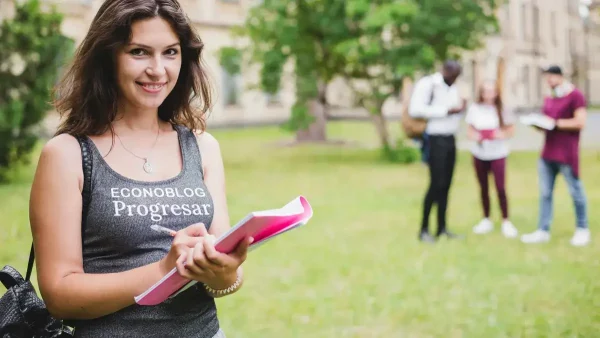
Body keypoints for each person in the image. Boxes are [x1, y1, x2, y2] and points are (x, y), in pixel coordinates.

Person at [29, 1, 249, 337]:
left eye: (171, 52)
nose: (158, 70)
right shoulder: (68, 155)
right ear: (108, 56)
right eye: (139, 52)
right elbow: (59, 296)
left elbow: (226, 278)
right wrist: (164, 269)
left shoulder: (202, 147)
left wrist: (223, 272)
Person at [520, 65, 591, 246]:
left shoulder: (575, 96)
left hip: (566, 153)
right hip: (548, 153)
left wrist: (555, 123)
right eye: (547, 78)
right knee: (545, 193)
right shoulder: (550, 97)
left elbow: (580, 122)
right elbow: (547, 121)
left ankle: (582, 229)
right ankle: (543, 229)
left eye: (551, 77)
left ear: (560, 76)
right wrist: (538, 123)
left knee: (576, 192)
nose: (549, 81)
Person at [409, 60, 467, 243]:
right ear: (444, 71)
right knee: (435, 184)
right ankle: (424, 229)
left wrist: (460, 109)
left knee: (446, 185)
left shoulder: (453, 87)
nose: (454, 79)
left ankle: (442, 228)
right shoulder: (428, 85)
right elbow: (415, 109)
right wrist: (446, 110)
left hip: (450, 138)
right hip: (435, 139)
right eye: (452, 75)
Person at [465, 80, 518, 238]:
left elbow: (511, 129)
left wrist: (500, 135)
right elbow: (469, 131)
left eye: (492, 91)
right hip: (480, 153)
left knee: (500, 187)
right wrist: (478, 136)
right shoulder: (475, 109)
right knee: (483, 187)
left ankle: (506, 220)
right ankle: (486, 218)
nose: (489, 94)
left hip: (498, 153)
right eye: (485, 91)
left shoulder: (502, 109)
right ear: (481, 93)